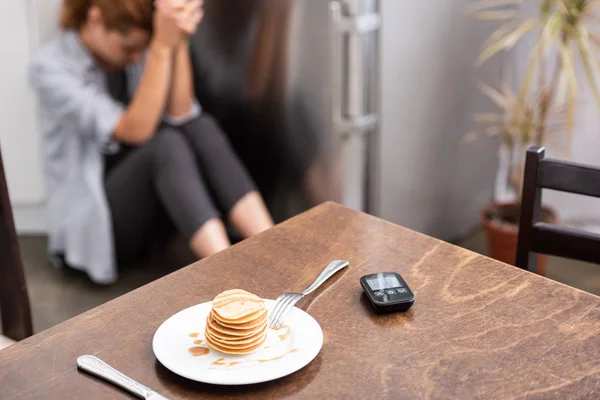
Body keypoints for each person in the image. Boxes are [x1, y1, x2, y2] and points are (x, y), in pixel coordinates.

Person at [30, 0, 274, 284]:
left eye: (141, 50)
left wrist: (177, 37)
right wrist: (160, 47)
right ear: (94, 18)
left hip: (153, 212)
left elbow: (181, 113)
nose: (136, 58)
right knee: (164, 145)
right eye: (128, 48)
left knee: (200, 126)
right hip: (100, 232)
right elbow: (137, 131)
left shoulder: (136, 45)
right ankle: (233, 280)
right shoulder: (49, 68)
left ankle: (274, 248)